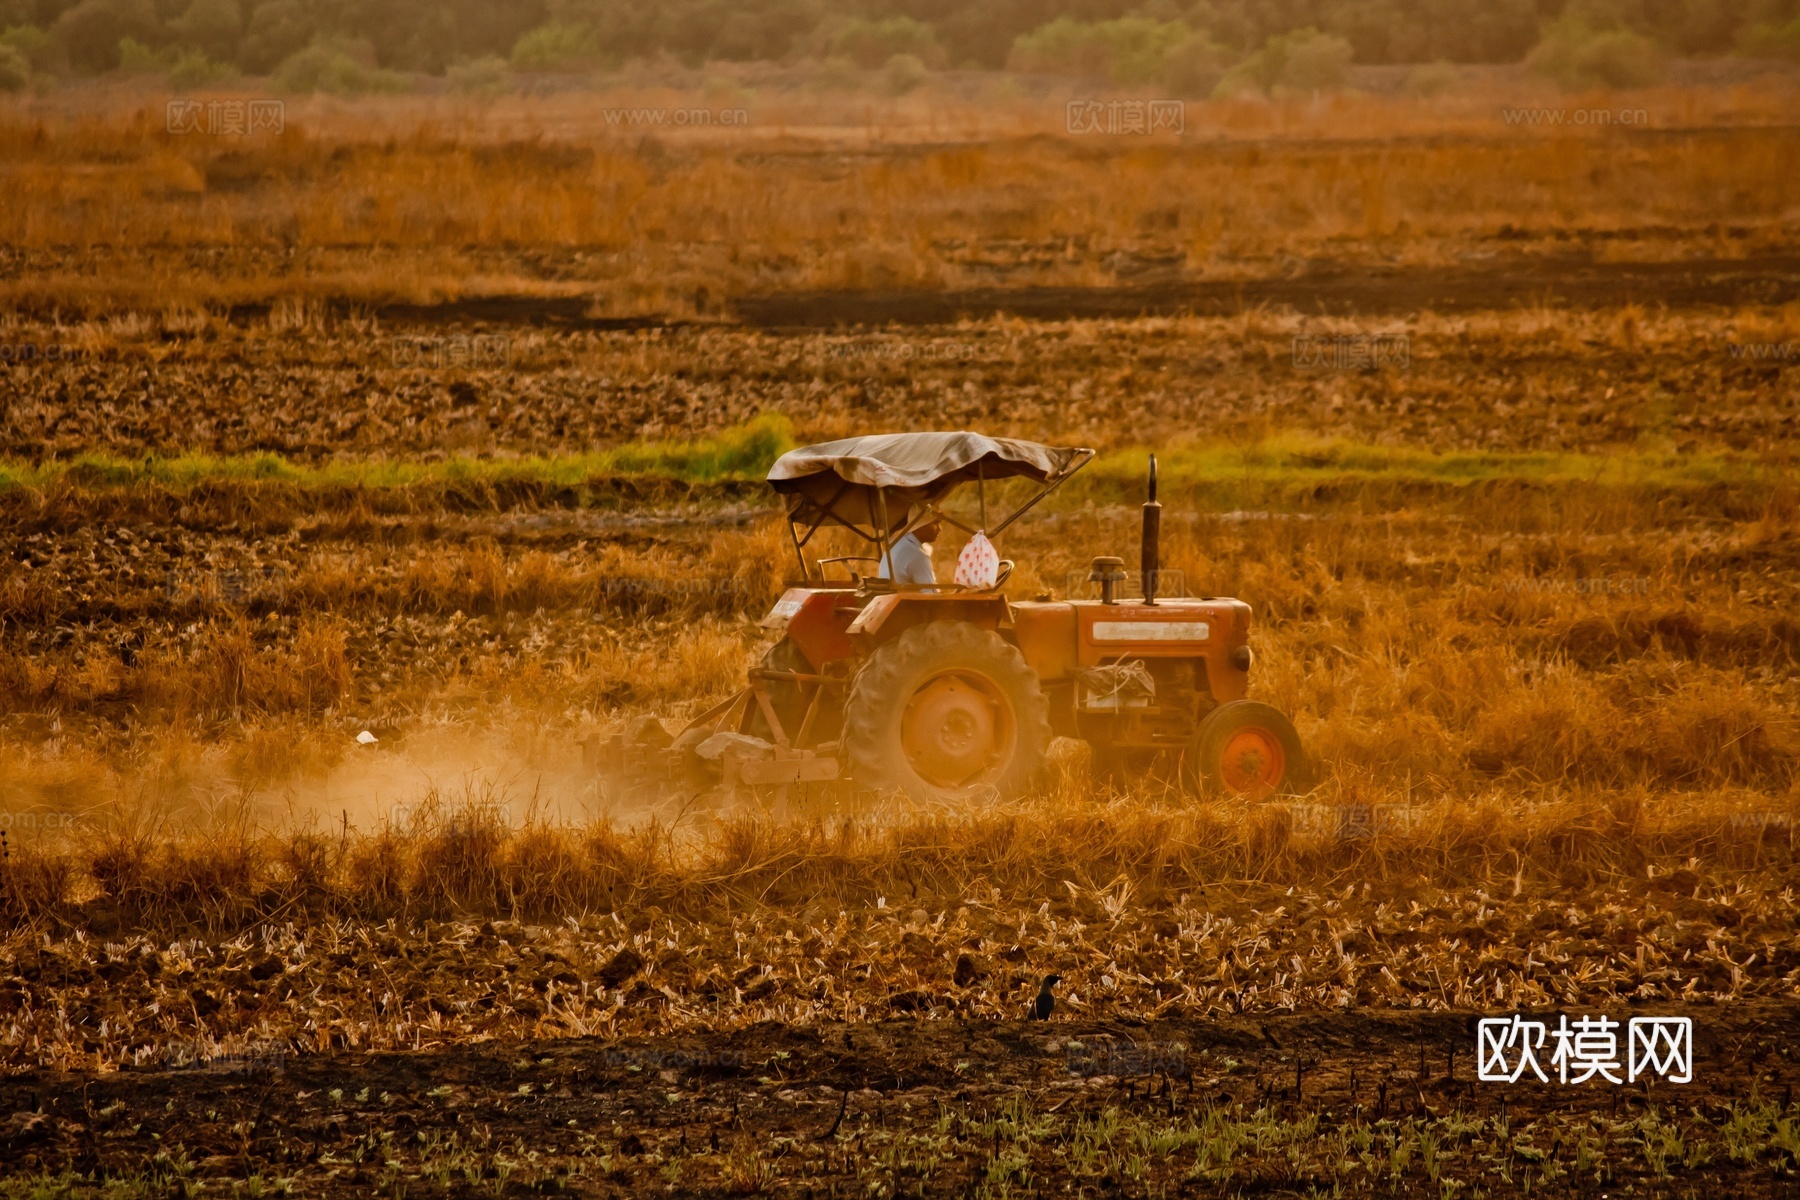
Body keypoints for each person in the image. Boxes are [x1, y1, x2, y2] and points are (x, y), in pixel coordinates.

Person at [879, 516, 940, 586]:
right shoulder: (918, 555)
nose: (940, 528)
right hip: (901, 596)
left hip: (887, 595)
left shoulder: (895, 543)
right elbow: (930, 594)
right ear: (921, 525)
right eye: (935, 523)